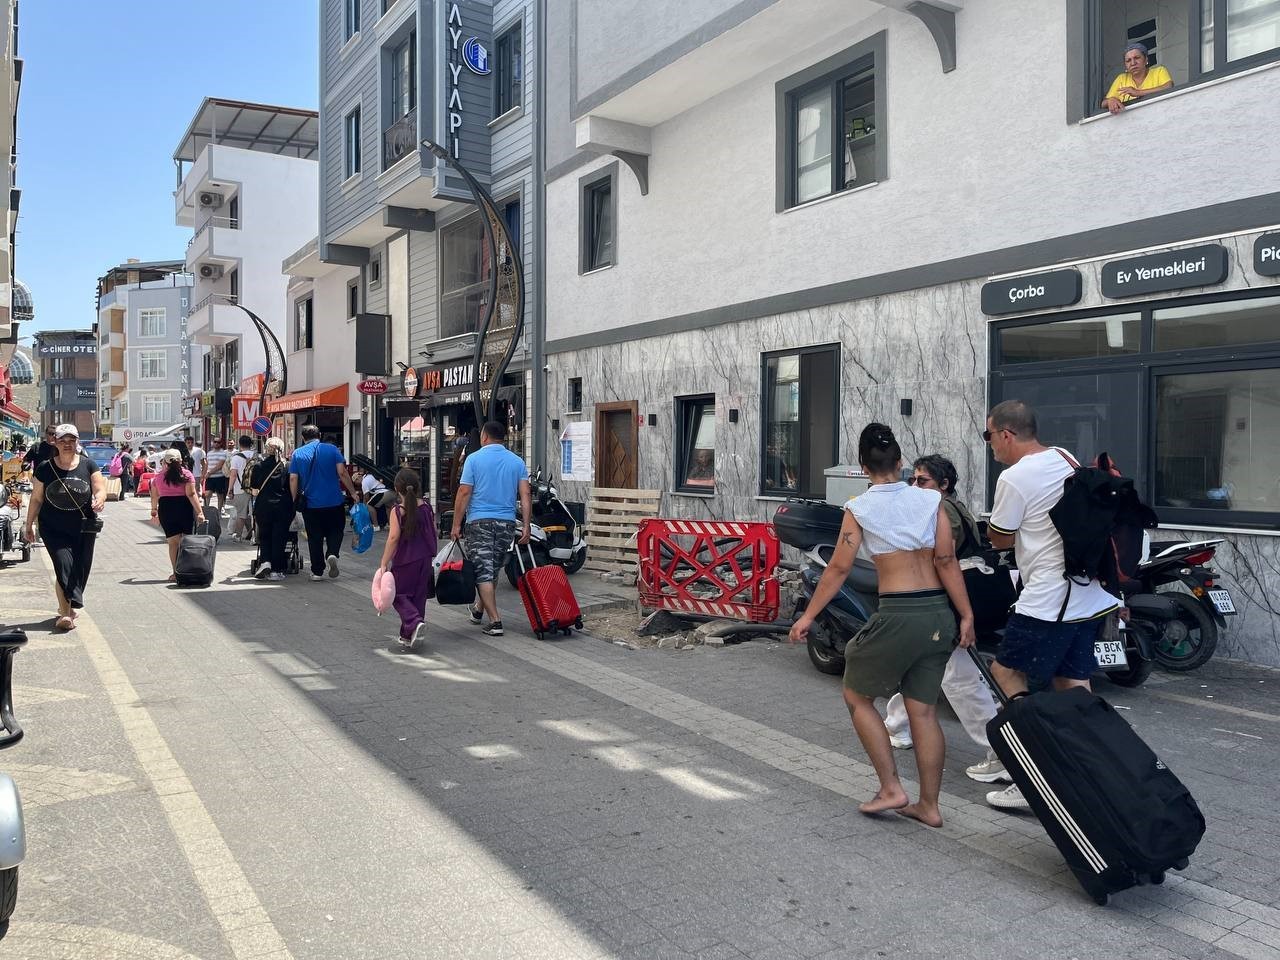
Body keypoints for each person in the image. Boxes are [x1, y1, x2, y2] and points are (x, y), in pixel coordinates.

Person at [789, 424, 976, 829]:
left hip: (898, 613)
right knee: (922, 712)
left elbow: (839, 567)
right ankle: (929, 806)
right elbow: (946, 562)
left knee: (857, 696)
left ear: (862, 467)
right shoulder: (931, 501)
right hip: (938, 613)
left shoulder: (859, 508)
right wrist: (966, 615)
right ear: (901, 463)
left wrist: (807, 616)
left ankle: (891, 787)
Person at [982, 400, 1121, 810]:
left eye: (988, 436)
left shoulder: (1014, 477)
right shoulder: (1065, 457)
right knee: (1072, 685)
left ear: (1006, 434)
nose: (989, 445)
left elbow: (1000, 538)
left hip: (1048, 597)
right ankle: (1093, 767)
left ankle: (1036, 773)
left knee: (1006, 672)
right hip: (1087, 594)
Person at [882, 454, 1008, 786]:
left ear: (943, 485)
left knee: (959, 678)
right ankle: (896, 724)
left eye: (922, 481)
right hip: (950, 602)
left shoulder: (942, 512)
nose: (915, 486)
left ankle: (1002, 752)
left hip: (945, 604)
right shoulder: (955, 507)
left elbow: (940, 557)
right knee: (924, 664)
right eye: (913, 480)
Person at [450, 421, 531, 637]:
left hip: (479, 522)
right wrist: (526, 525)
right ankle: (478, 610)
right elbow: (525, 495)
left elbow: (464, 493)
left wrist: (456, 524)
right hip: (507, 524)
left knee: (483, 571)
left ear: (484, 437)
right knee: (492, 568)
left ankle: (495, 621)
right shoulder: (517, 462)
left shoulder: (473, 459)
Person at [24, 424, 106, 630]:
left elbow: (100, 487)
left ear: (77, 442)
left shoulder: (89, 465)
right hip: (53, 526)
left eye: (72, 440)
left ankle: (68, 607)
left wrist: (100, 499)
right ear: (55, 442)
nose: (67, 444)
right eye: (63, 440)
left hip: (83, 526)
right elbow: (36, 499)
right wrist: (29, 525)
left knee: (80, 568)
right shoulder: (45, 467)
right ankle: (65, 614)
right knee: (63, 566)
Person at [290, 423, 361, 581]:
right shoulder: (332, 449)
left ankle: (317, 571)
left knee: (314, 537)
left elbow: (293, 478)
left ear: (303, 437)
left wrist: (293, 499)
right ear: (319, 435)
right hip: (334, 501)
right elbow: (342, 472)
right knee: (336, 530)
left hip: (310, 504)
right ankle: (332, 553)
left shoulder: (297, 454)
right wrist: (352, 492)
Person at [377, 468, 439, 650]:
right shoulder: (427, 507)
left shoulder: (398, 511)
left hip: (405, 560)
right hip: (425, 558)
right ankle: (407, 634)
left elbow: (394, 538)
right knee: (418, 596)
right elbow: (433, 531)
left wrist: (384, 561)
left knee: (398, 595)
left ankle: (414, 621)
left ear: (397, 489)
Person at [150, 448, 206, 584]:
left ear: (165, 462)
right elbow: (191, 495)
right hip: (184, 508)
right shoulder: (187, 475)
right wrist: (200, 512)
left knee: (173, 543)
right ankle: (188, 570)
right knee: (186, 541)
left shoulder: (158, 477)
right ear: (181, 461)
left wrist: (153, 511)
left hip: (166, 509)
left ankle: (176, 573)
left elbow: (155, 496)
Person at [250, 437, 293, 581]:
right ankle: (276, 571)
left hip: (263, 507)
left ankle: (265, 562)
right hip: (282, 506)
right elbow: (292, 486)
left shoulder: (258, 466)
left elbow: (254, 490)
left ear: (266, 449)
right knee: (279, 538)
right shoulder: (287, 466)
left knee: (265, 535)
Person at [1102, 42, 1173, 115]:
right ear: (1125, 65)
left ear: (1146, 60)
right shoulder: (1122, 79)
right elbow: (1103, 103)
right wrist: (1110, 100)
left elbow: (1168, 87)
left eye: (1137, 58)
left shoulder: (1159, 71)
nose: (1133, 63)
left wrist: (1138, 92)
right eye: (1128, 60)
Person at [228, 436, 257, 543]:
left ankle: (238, 536)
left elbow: (233, 475)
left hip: (240, 489)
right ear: (251, 444)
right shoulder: (256, 456)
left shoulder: (236, 458)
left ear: (239, 444)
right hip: (255, 489)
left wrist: (230, 489)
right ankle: (254, 536)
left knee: (241, 514)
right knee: (255, 514)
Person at [203, 438, 230, 513]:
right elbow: (206, 465)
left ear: (221, 443)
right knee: (207, 494)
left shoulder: (223, 453)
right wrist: (203, 475)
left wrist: (209, 473)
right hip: (210, 478)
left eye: (218, 442)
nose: (216, 443)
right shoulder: (209, 453)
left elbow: (219, 466)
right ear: (212, 442)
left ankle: (219, 512)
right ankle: (207, 510)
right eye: (215, 442)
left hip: (219, 477)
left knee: (220, 495)